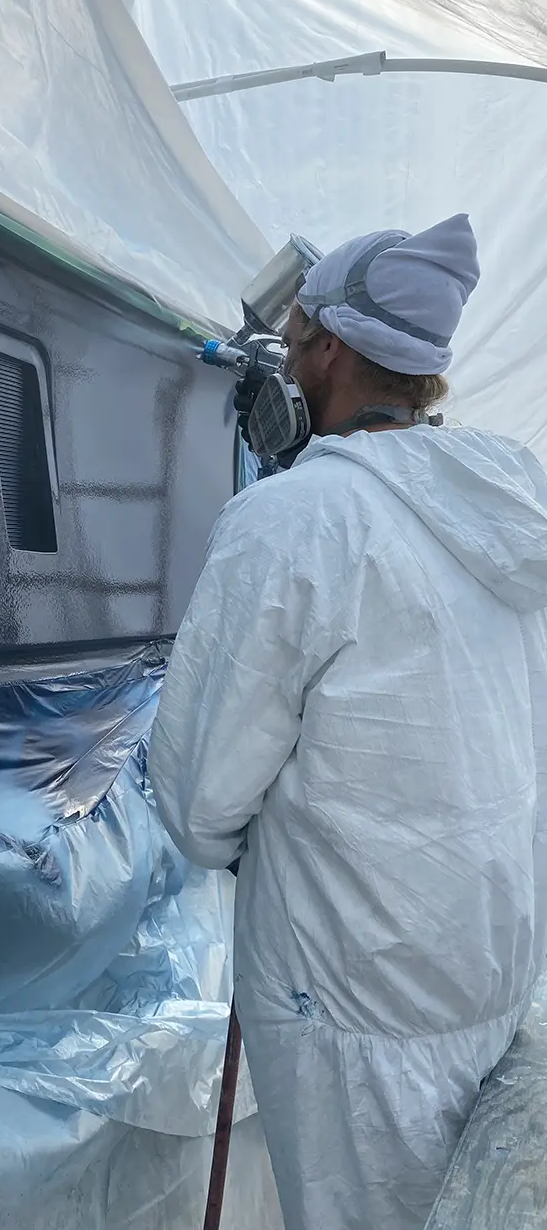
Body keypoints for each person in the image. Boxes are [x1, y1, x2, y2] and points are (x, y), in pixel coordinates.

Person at [147, 214, 547, 1230]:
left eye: (288, 332)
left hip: (351, 1004)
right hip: (487, 972)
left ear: (327, 347)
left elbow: (197, 804)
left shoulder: (294, 522)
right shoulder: (506, 504)